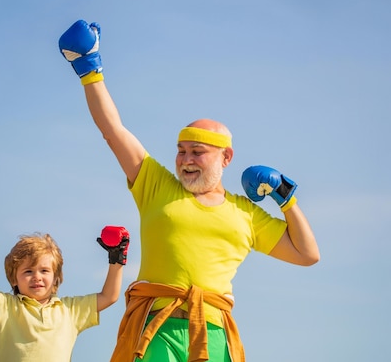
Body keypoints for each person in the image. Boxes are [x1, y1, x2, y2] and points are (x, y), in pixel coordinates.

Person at [58, 20, 321, 362]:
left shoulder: (246, 214)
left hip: (212, 334)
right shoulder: (156, 185)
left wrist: (286, 197)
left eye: (197, 152)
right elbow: (113, 130)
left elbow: (307, 254)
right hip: (155, 329)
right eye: (181, 151)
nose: (186, 160)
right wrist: (88, 69)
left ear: (226, 157)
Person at [0, 214, 130, 362]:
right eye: (28, 271)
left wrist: (116, 259)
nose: (37, 276)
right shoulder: (6, 307)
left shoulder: (69, 310)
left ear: (56, 277)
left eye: (44, 270)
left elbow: (109, 296)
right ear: (14, 279)